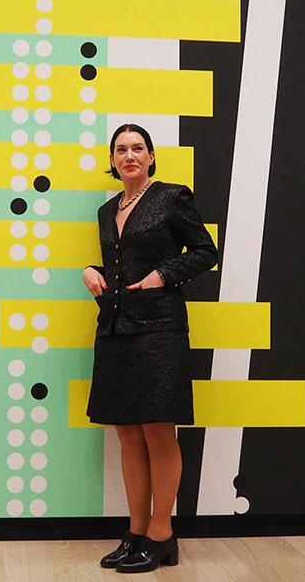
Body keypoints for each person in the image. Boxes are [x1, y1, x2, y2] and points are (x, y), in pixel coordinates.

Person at [82, 123, 218, 574]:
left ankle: (162, 535)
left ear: (151, 156)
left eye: (138, 148)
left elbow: (205, 251)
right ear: (112, 160)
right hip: (116, 328)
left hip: (160, 328)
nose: (130, 155)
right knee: (127, 433)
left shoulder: (171, 197)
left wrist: (163, 275)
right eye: (121, 149)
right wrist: (92, 271)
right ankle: (136, 533)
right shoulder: (106, 211)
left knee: (159, 431)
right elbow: (119, 264)